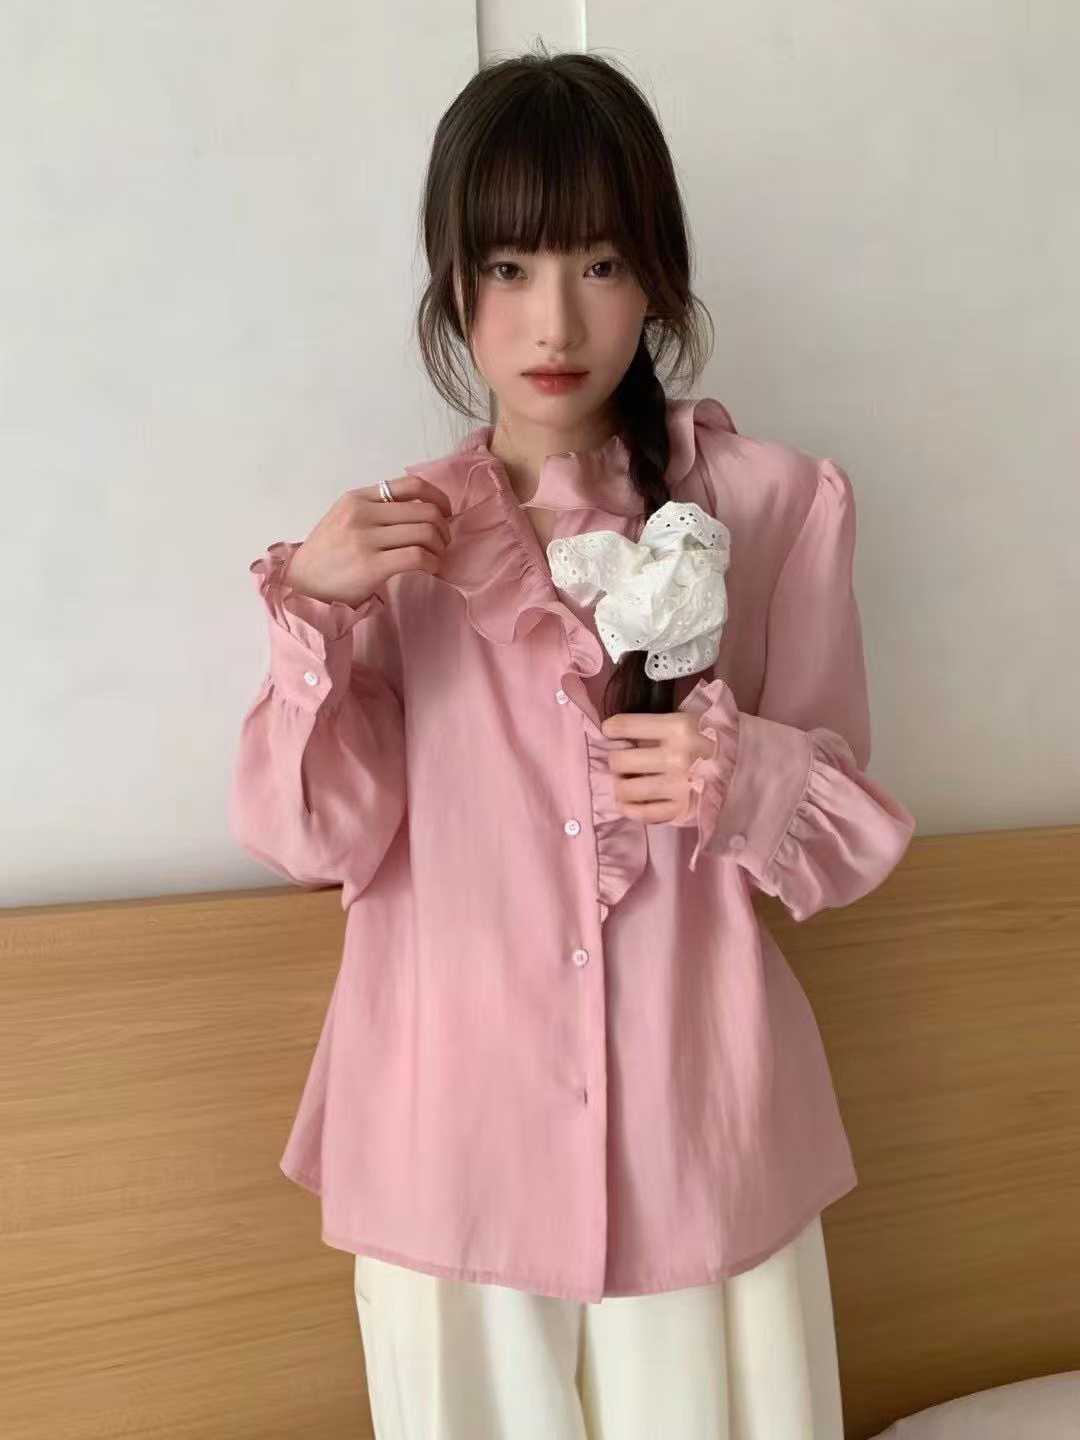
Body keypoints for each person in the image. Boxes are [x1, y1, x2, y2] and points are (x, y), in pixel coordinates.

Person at [228, 41, 916, 1440]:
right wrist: (314, 615)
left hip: (696, 1142)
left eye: (598, 263)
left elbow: (847, 836)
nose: (554, 317)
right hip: (449, 1152)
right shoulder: (395, 547)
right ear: (453, 287)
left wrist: (742, 773)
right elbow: (316, 840)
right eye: (508, 267)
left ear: (656, 277)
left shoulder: (773, 506)